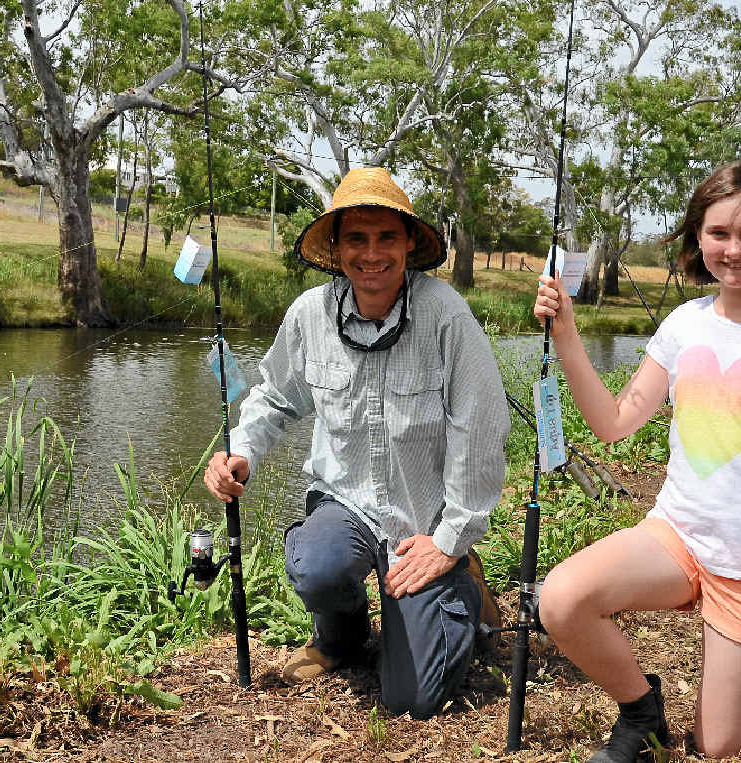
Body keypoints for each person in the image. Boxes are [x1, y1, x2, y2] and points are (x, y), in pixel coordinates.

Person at [533, 160, 741, 761]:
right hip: (678, 535)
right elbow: (613, 424)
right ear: (698, 237)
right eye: (718, 233)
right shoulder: (683, 324)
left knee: (721, 747)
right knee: (560, 599)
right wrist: (567, 337)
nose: (733, 250)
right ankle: (642, 711)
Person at [202, 167, 510, 719]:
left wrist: (448, 540)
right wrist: (241, 451)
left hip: (424, 521)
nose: (372, 255)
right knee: (316, 563)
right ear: (337, 248)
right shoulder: (309, 315)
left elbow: (480, 429)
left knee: (411, 699)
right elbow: (275, 398)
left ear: (409, 243)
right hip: (344, 502)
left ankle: (465, 582)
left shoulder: (446, 316)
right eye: (356, 239)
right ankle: (341, 637)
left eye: (386, 237)